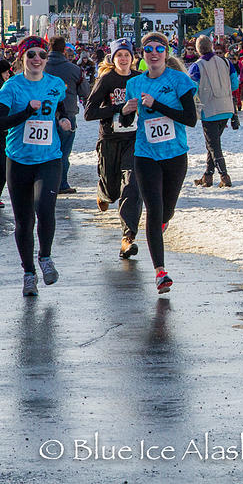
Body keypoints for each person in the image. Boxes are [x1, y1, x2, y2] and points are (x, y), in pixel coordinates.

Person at [120, 32, 197, 294]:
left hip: (175, 155)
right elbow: (129, 123)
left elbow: (190, 119)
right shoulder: (134, 84)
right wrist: (126, 112)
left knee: (166, 211)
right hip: (145, 155)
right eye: (148, 49)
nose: (153, 53)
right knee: (153, 210)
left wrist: (158, 104)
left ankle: (159, 226)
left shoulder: (178, 80)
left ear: (166, 53)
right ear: (142, 54)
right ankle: (160, 273)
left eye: (159, 49)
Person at [0, 37, 70, 295]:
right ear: (22, 58)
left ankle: (45, 257)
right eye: (31, 55)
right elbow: (2, 121)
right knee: (23, 221)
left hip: (49, 159)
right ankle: (28, 273)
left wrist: (62, 120)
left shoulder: (55, 84)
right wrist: (27, 112)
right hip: (18, 160)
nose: (37, 59)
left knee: (45, 207)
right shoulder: (11, 87)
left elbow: (59, 110)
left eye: (42, 54)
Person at [83, 38, 144, 259]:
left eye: (127, 54)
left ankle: (128, 239)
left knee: (132, 186)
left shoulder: (139, 79)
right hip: (110, 139)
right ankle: (103, 192)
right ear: (113, 58)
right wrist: (120, 107)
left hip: (134, 140)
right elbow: (89, 113)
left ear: (132, 57)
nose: (124, 59)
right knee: (112, 190)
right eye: (119, 55)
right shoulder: (107, 80)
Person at [188, 34, 239, 188]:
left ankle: (224, 176)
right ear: (211, 46)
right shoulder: (226, 62)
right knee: (212, 143)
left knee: (213, 146)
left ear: (197, 50)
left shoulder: (196, 66)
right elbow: (235, 85)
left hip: (209, 110)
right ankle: (208, 176)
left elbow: (191, 88)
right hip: (226, 108)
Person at [44, 35, 89, 194]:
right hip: (68, 113)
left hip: (44, 114)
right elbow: (84, 91)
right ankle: (61, 183)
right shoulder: (74, 69)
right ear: (64, 50)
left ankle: (45, 183)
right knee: (63, 151)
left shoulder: (42, 67)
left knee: (46, 150)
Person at [0, 58, 11, 208]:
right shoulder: (4, 89)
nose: (8, 74)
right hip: (2, 133)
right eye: (6, 71)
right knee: (2, 167)